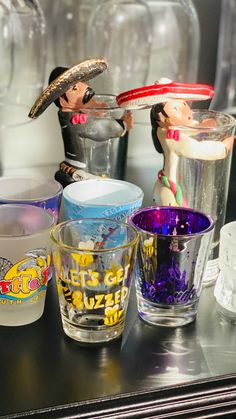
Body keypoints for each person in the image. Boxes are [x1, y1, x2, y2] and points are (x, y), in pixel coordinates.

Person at [29, 58, 133, 187]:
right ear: (63, 101)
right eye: (74, 88)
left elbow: (88, 112)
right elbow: (99, 129)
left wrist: (96, 110)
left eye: (82, 83)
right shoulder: (73, 120)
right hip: (80, 169)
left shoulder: (68, 114)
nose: (85, 87)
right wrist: (123, 125)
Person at [150, 100, 233, 206]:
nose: (186, 111)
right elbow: (197, 149)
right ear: (162, 117)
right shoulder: (171, 137)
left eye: (184, 104)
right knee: (177, 219)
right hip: (171, 192)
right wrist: (224, 147)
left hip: (170, 185)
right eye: (175, 109)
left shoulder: (164, 130)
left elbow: (187, 128)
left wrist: (202, 126)